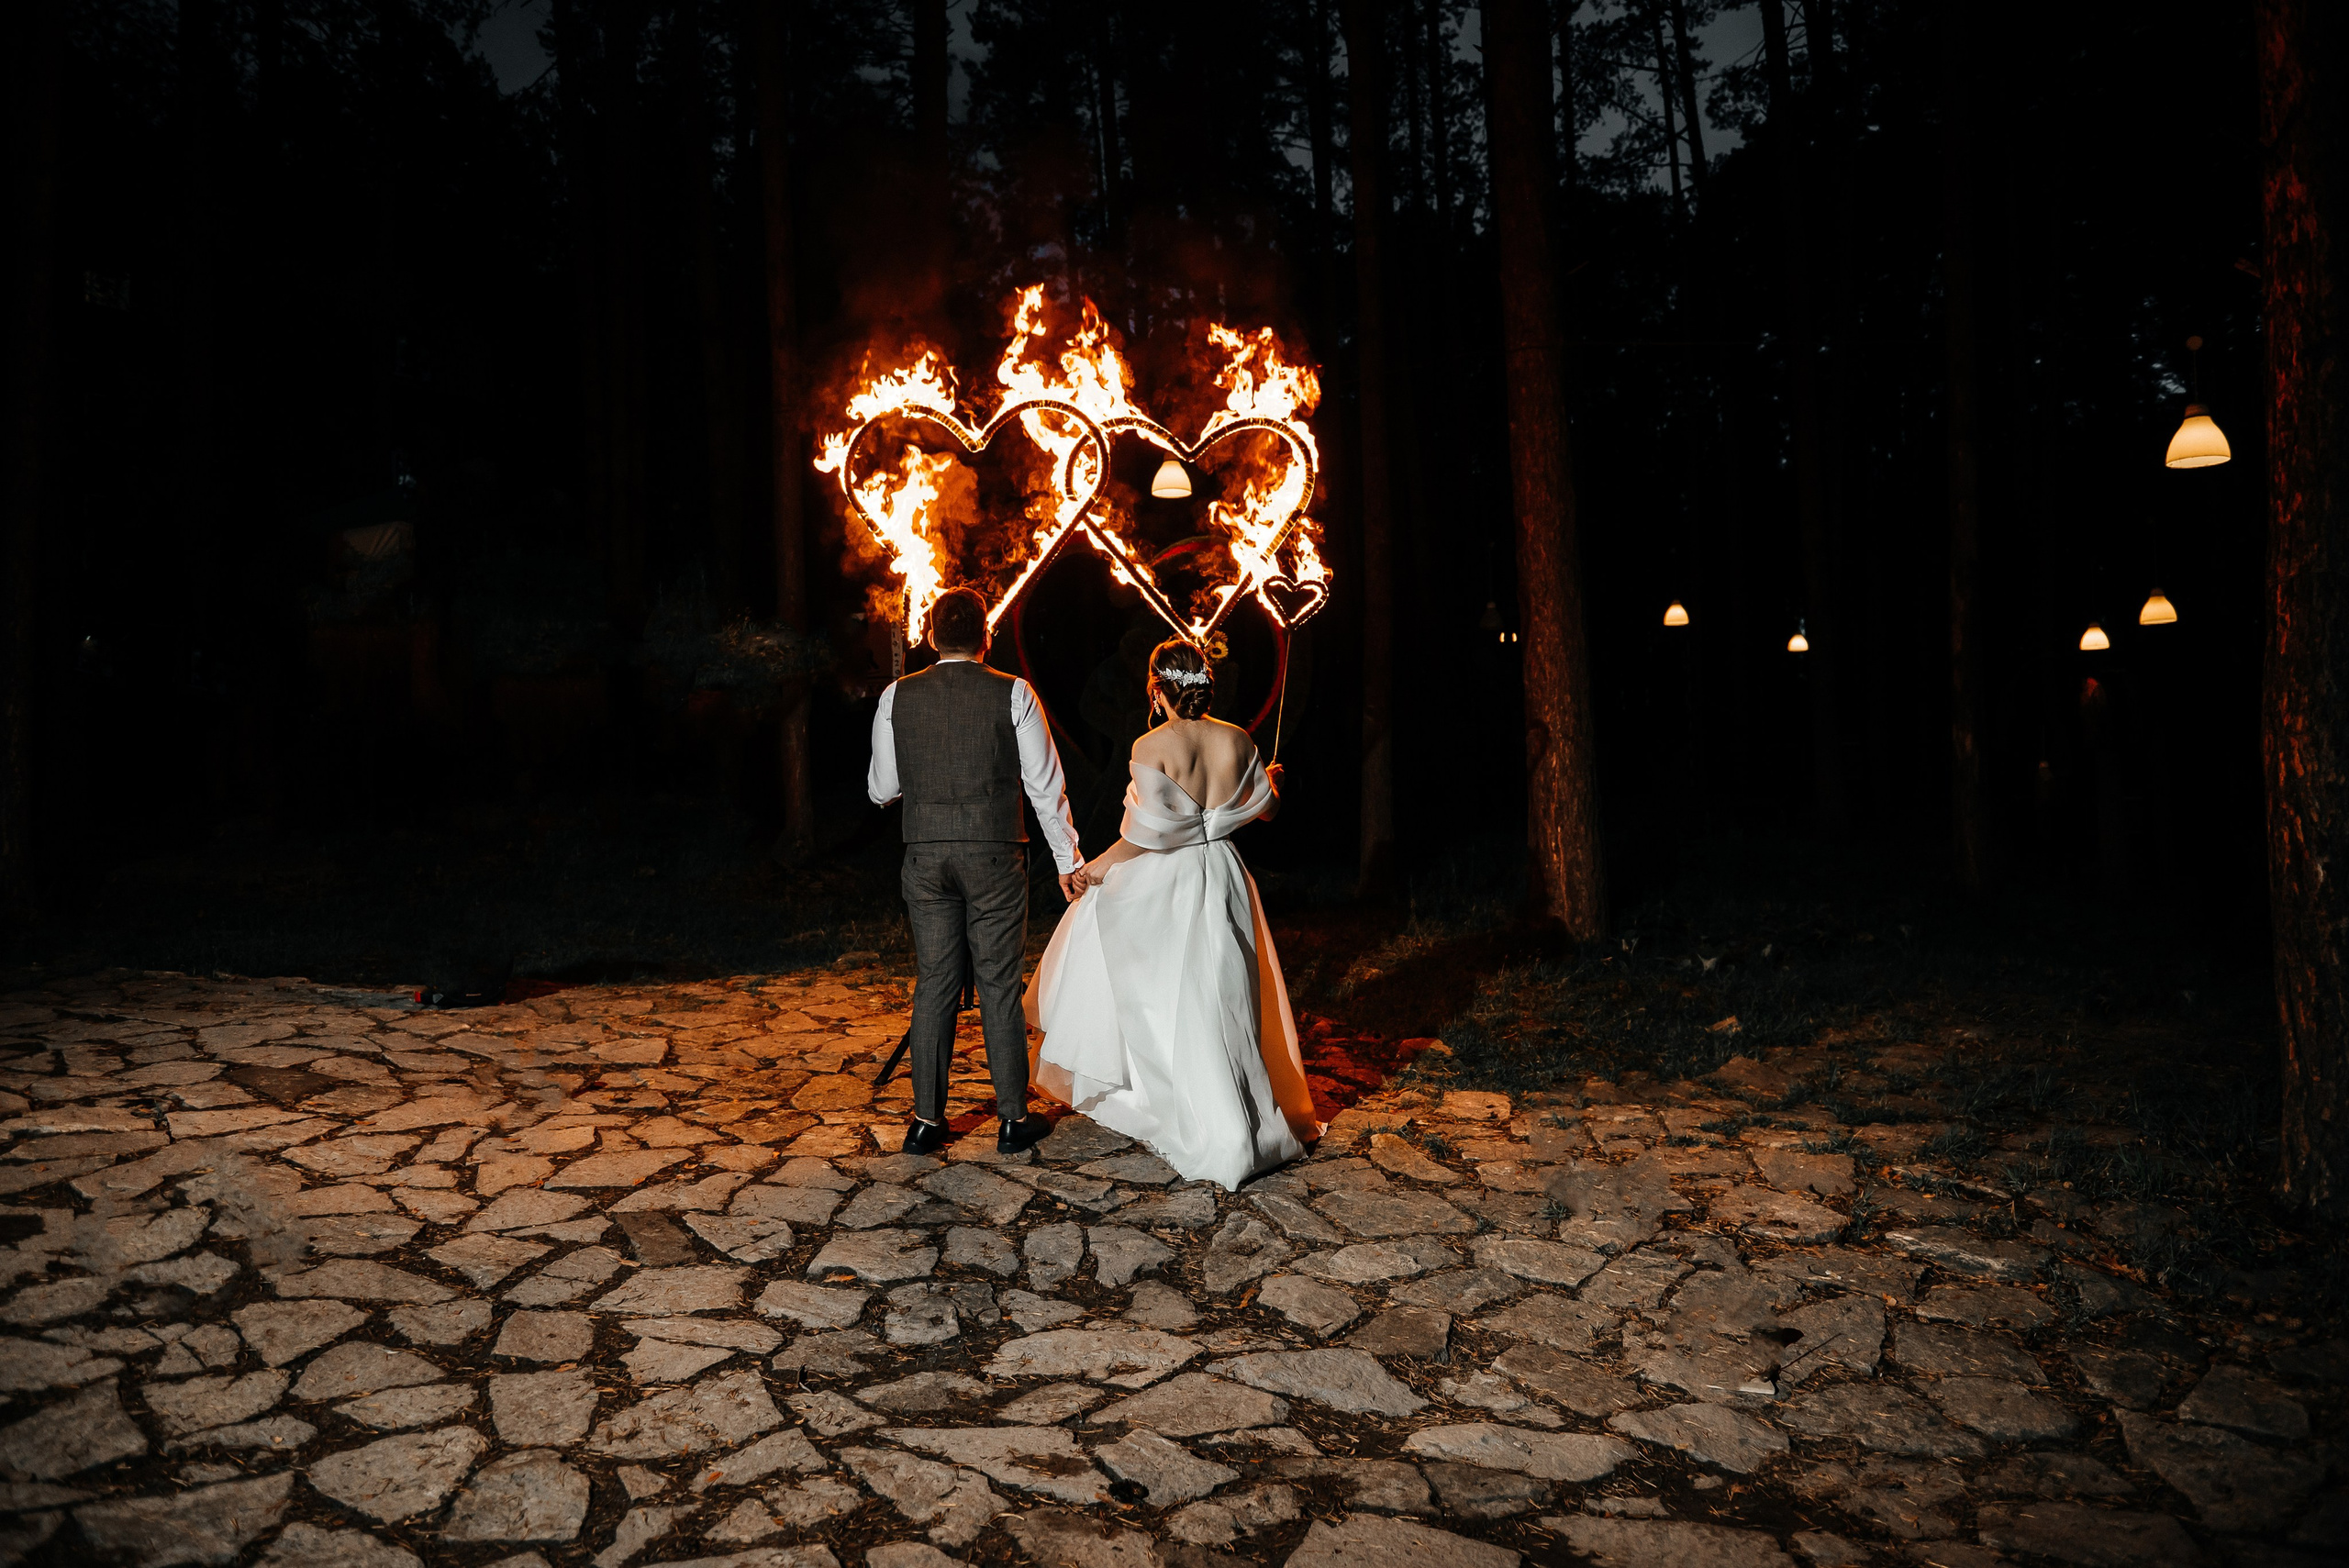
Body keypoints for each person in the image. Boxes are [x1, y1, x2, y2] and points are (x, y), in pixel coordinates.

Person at [1025, 638, 1320, 1188]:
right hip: (1226, 873)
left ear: (1155, 689)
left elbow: (1145, 839)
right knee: (1225, 993)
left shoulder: (1149, 745)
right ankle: (1243, 1113)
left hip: (1171, 880)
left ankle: (1200, 1113)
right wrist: (1269, 780)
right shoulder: (1238, 739)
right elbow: (1269, 809)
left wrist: (1093, 870)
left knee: (1168, 989)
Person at [867, 586, 1084, 1156]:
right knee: (996, 984)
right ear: (986, 636)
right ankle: (1013, 1119)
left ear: (932, 637)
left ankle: (926, 1123)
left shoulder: (896, 696)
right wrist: (1068, 860)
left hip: (926, 856)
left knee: (935, 982)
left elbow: (881, 790)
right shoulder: (1014, 693)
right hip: (994, 856)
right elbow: (1045, 786)